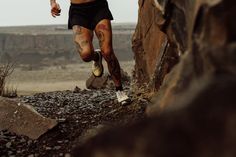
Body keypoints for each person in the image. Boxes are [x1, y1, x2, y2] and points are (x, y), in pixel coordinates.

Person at [50, 0, 130, 105]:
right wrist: (53, 3)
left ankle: (119, 90)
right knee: (86, 55)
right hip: (78, 12)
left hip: (99, 7)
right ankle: (96, 57)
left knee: (107, 52)